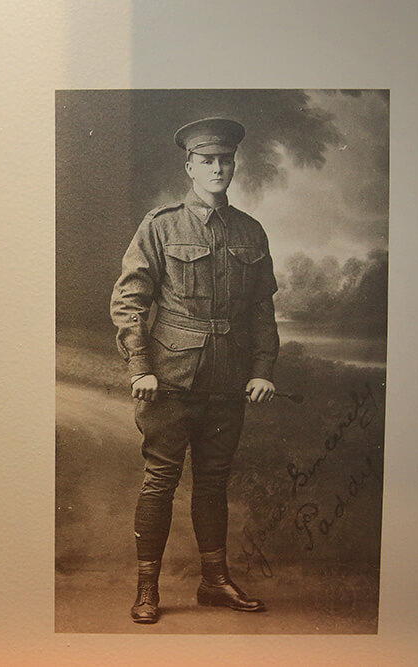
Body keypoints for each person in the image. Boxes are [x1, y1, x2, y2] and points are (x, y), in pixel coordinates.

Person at [110, 117, 279, 624]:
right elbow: (130, 301)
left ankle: (214, 581)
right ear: (189, 166)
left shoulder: (250, 231)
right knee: (160, 481)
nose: (218, 168)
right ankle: (147, 589)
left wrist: (263, 369)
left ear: (234, 164)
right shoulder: (161, 225)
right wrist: (140, 366)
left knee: (213, 482)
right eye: (207, 161)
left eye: (225, 160)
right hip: (169, 379)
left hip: (229, 380)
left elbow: (261, 311)